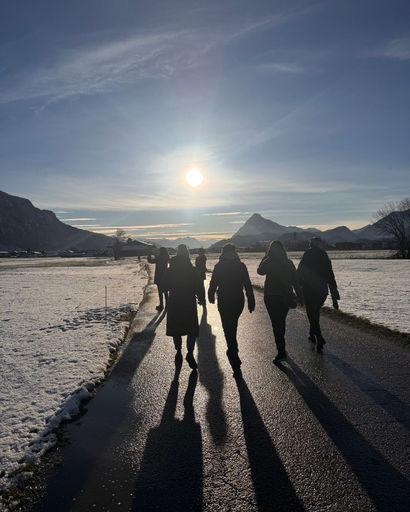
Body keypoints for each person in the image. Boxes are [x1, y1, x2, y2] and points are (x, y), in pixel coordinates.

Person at [208, 243, 255, 372]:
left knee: (228, 327)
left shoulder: (219, 266)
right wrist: (251, 301)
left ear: (223, 253)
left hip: (224, 300)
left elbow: (213, 283)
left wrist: (210, 295)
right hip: (238, 300)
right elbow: (248, 285)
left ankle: (233, 351)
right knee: (232, 325)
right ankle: (233, 350)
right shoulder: (241, 266)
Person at [257, 241, 303, 363]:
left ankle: (281, 352)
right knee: (280, 322)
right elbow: (296, 282)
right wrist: (300, 297)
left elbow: (259, 271)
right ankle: (282, 348)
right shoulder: (289, 263)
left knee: (276, 324)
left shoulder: (269, 261)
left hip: (271, 296)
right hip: (285, 296)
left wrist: (265, 257)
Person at [163, 244, 205, 369]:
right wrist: (201, 299)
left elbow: (164, 286)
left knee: (176, 328)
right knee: (191, 328)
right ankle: (190, 352)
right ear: (187, 255)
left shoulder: (170, 270)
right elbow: (199, 286)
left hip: (175, 301)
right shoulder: (192, 270)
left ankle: (178, 351)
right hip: (189, 302)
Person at [297, 237, 340, 351]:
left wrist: (298, 289)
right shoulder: (324, 256)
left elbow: (300, 271)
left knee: (312, 314)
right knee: (314, 312)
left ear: (310, 244)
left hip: (309, 290)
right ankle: (312, 334)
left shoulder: (307, 254)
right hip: (322, 291)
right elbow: (330, 276)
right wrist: (334, 298)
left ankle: (319, 337)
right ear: (320, 244)